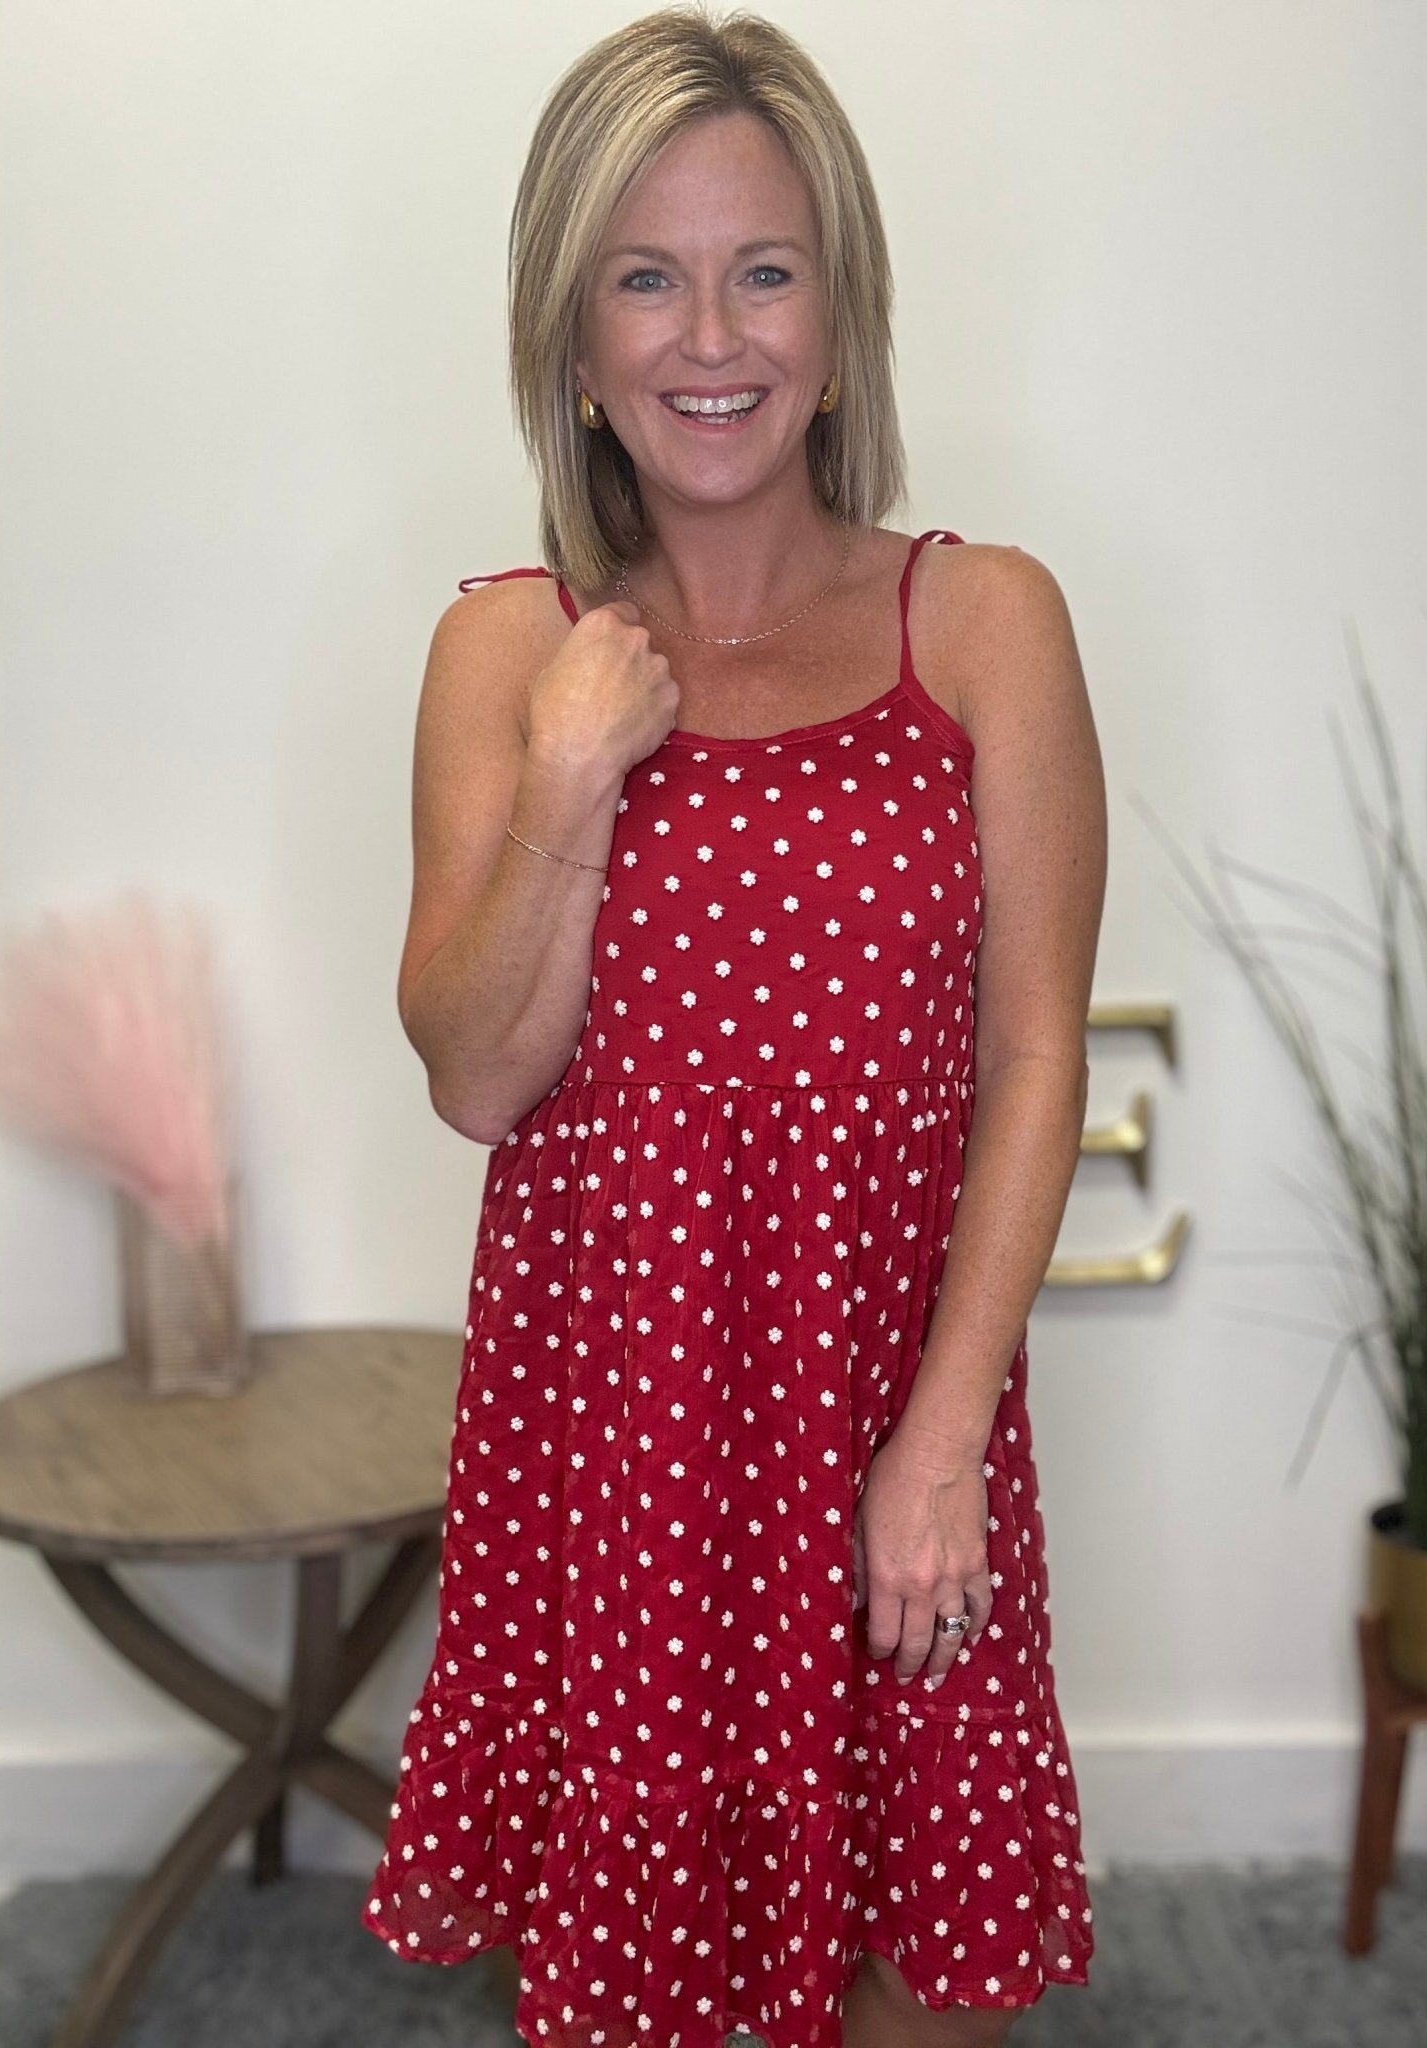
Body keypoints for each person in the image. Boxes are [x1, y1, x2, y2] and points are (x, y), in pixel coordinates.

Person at [363, 8, 1107, 2046]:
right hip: (622, 1449)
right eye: (646, 278)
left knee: (921, 1979)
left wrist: (939, 1444)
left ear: (840, 320)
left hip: (895, 1408)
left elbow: (1037, 1057)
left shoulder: (985, 623)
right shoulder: (506, 651)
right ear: (574, 339)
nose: (712, 336)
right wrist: (568, 778)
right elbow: (476, 1074)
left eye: (764, 271)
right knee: (646, 1980)